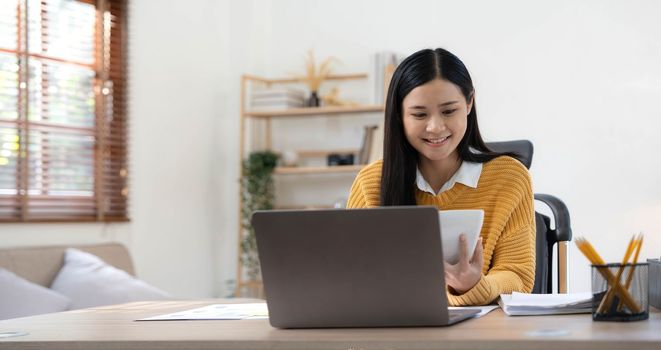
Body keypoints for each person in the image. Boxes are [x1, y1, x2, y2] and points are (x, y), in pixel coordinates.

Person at [347, 48, 535, 306]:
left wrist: (476, 285)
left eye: (448, 111)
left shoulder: (510, 177)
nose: (435, 127)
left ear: (469, 103)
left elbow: (519, 276)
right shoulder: (370, 183)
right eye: (419, 114)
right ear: (399, 116)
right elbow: (351, 277)